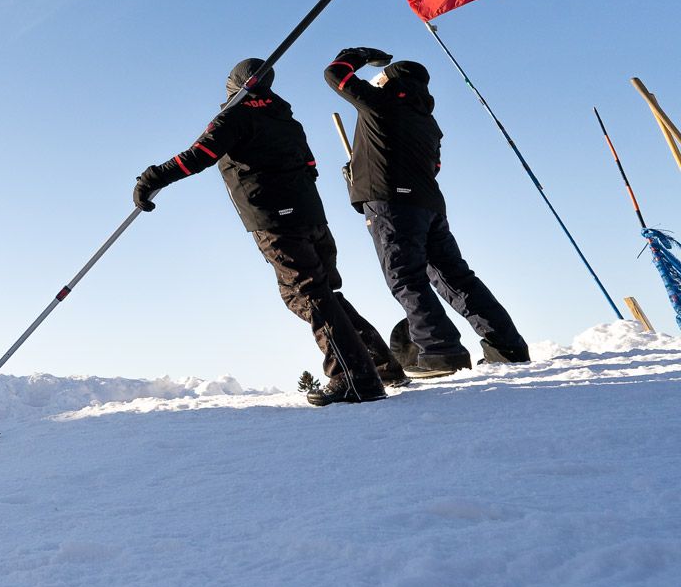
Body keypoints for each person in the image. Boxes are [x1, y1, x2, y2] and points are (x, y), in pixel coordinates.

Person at [134, 58, 402, 406]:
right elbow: (310, 166)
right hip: (311, 215)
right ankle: (379, 365)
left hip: (275, 220)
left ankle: (355, 378)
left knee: (308, 295)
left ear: (233, 85)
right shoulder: (286, 118)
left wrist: (151, 178)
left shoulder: (235, 117)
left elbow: (199, 155)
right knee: (320, 292)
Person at [325, 48, 529, 377]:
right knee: (456, 277)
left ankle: (440, 351)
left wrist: (359, 55)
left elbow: (336, 74)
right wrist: (359, 176)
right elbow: (431, 166)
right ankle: (507, 346)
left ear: (388, 81)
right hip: (428, 206)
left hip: (392, 205)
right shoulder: (428, 122)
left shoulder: (380, 102)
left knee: (406, 278)